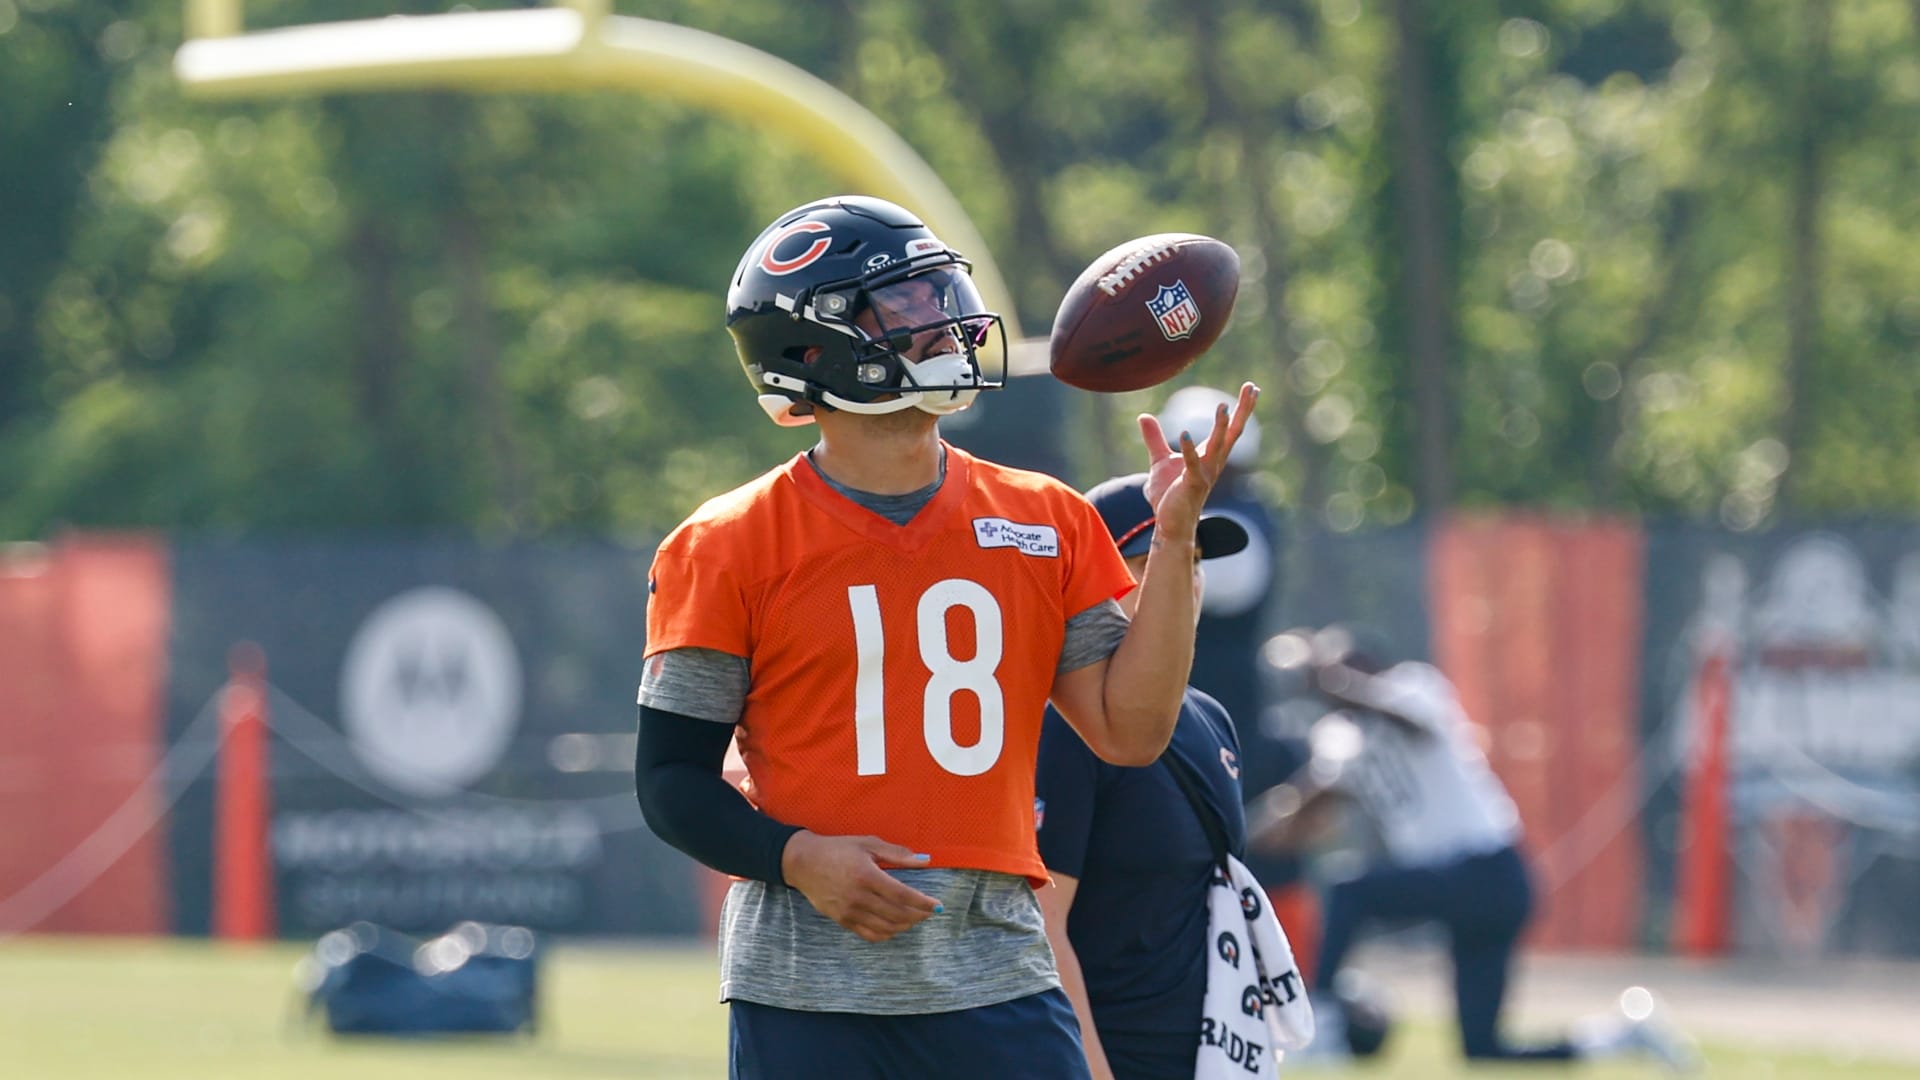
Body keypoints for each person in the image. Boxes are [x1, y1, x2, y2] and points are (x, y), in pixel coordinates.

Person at [633, 194, 1258, 1079]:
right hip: (807, 993)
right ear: (815, 349)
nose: (948, 323)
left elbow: (1131, 731)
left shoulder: (1045, 517)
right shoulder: (726, 544)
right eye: (910, 305)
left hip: (999, 972)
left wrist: (1176, 540)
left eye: (944, 295)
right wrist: (795, 856)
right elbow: (668, 779)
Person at [1249, 625, 1698, 1072]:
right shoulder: (1343, 736)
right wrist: (1232, 835)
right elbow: (1303, 805)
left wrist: (1328, 675)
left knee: (1351, 889)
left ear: (1369, 667)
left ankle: (1322, 1017)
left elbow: (1409, 722)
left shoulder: (1414, 686)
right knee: (1482, 1049)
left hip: (1491, 874)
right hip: (1457, 884)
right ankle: (1620, 1036)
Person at [1031, 471, 1253, 1079]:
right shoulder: (1067, 726)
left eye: (1194, 559)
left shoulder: (1210, 717)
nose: (1188, 579)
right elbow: (1040, 927)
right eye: (1156, 559)